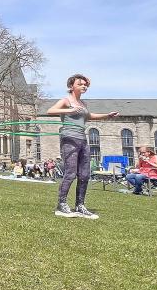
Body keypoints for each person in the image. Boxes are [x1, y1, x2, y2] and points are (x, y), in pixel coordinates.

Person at [46, 74, 119, 219]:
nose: (84, 86)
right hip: (69, 138)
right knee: (70, 173)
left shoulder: (83, 104)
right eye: (80, 84)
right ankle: (61, 205)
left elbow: (89, 116)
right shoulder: (66, 101)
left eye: (85, 84)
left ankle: (80, 206)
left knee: (85, 174)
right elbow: (50, 111)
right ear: (71, 86)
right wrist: (69, 110)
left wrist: (107, 115)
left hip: (82, 139)